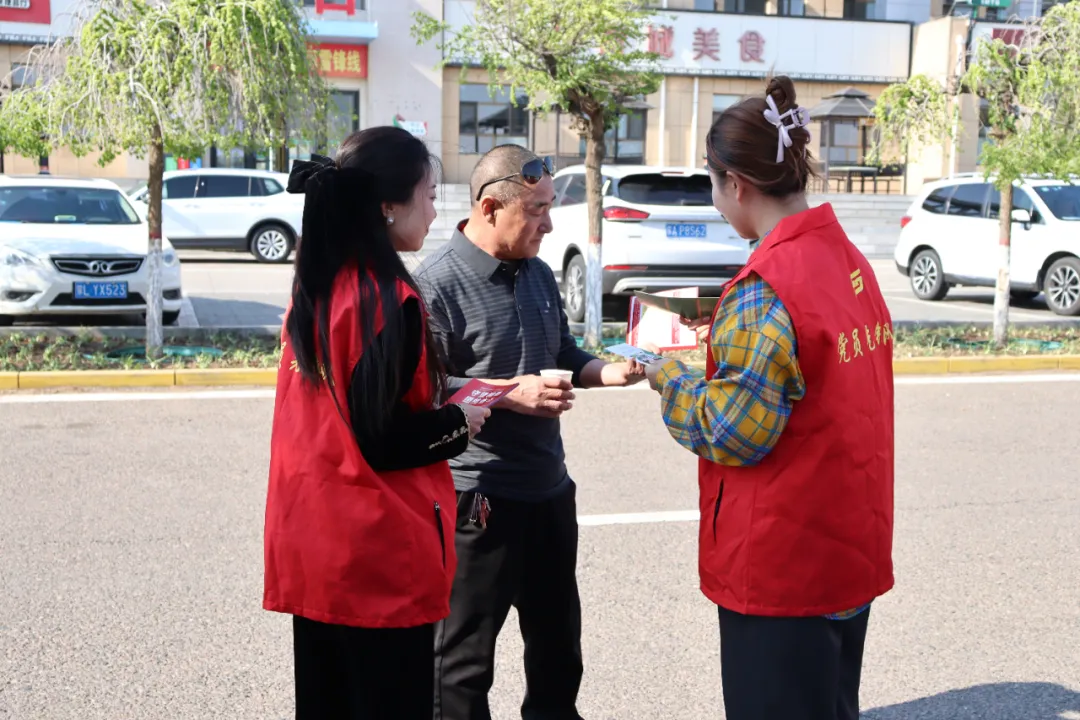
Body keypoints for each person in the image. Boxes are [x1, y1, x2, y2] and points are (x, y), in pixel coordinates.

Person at [642, 76, 895, 720]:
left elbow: (732, 429)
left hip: (786, 566)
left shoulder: (766, 287)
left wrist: (669, 377)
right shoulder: (848, 260)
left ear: (736, 183)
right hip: (846, 547)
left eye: (712, 183)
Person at [263, 126, 491, 720]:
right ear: (389, 205)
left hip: (314, 543)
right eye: (430, 195)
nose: (435, 211)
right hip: (375, 555)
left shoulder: (317, 287)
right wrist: (460, 422)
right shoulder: (388, 299)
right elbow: (383, 439)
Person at [416, 144, 646, 720]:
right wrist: (507, 393)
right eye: (537, 209)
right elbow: (426, 389)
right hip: (478, 497)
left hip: (549, 490)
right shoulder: (435, 285)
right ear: (490, 208)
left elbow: (561, 351)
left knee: (558, 650)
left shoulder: (539, 273)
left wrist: (609, 372)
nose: (549, 223)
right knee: (463, 661)